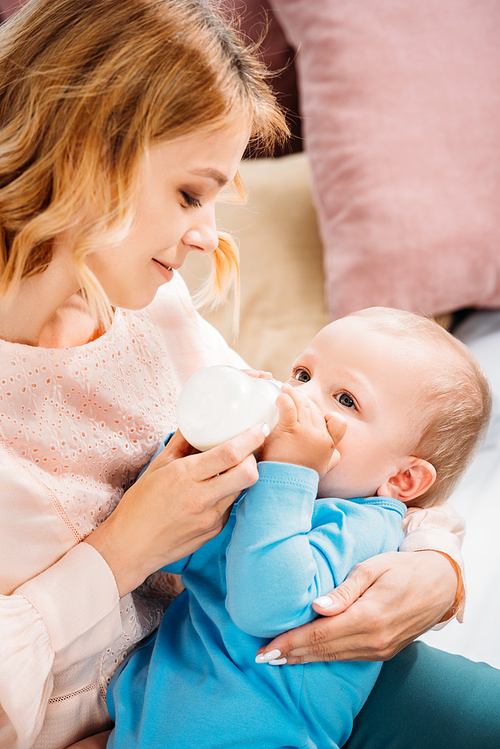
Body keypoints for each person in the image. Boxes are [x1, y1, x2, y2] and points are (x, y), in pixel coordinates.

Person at [0, 2, 489, 749]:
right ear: (88, 151)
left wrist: (438, 571)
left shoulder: (151, 305)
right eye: (191, 193)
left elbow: (351, 462)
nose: (206, 237)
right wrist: (121, 551)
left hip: (302, 679)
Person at [103, 308, 491, 749]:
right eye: (302, 373)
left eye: (346, 400)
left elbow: (266, 607)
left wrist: (287, 473)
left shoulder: (366, 529)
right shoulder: (266, 487)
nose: (298, 398)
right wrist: (196, 444)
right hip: (138, 725)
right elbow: (169, 551)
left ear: (403, 480)